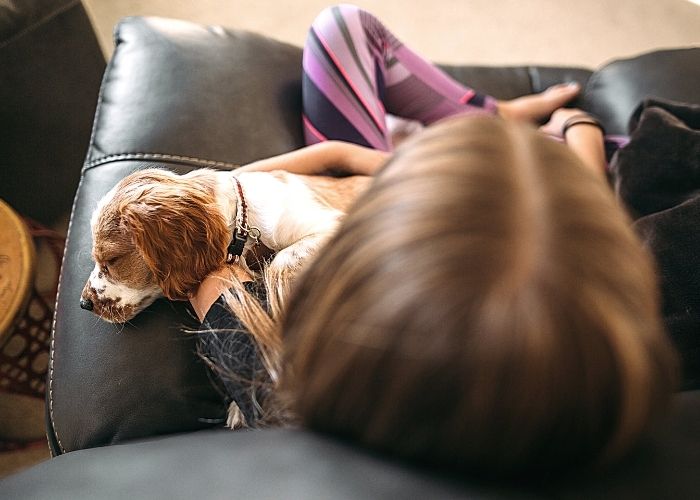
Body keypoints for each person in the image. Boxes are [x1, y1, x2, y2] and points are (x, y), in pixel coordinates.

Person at [193, 5, 678, 476]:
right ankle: (497, 119)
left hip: (428, 190)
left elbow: (208, 266)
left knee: (343, 26)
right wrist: (580, 129)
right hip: (521, 181)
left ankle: (488, 121)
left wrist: (345, 157)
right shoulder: (600, 374)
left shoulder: (282, 388)